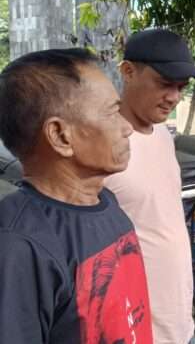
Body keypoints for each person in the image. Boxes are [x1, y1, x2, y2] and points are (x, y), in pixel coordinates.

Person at [0, 49, 153, 343]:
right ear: (60, 136)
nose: (127, 128)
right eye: (111, 112)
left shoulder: (107, 203)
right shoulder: (18, 246)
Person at [105, 29, 195, 344]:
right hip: (136, 332)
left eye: (181, 87)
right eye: (165, 83)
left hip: (179, 325)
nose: (174, 97)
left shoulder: (163, 136)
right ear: (128, 72)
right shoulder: (101, 144)